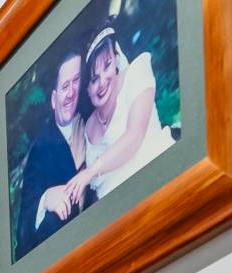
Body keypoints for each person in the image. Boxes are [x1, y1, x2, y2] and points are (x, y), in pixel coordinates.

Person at [66, 27, 178, 208]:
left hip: (163, 181)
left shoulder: (136, 73)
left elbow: (134, 137)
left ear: (116, 58)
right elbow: (99, 187)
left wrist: (91, 172)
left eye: (107, 66)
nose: (103, 81)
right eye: (94, 79)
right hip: (124, 212)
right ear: (86, 89)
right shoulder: (89, 128)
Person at [15, 49, 91, 257]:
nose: (71, 92)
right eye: (65, 86)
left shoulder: (91, 112)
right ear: (53, 99)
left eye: (76, 81)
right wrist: (45, 199)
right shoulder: (40, 150)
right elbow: (23, 229)